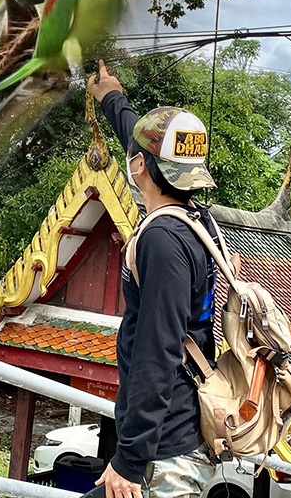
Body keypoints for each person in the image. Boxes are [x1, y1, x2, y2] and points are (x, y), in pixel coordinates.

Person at [90, 60, 222, 498]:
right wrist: (111, 96)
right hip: (175, 433)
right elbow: (141, 138)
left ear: (140, 167)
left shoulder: (162, 240)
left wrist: (129, 460)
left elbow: (158, 349)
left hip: (164, 453)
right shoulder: (195, 219)